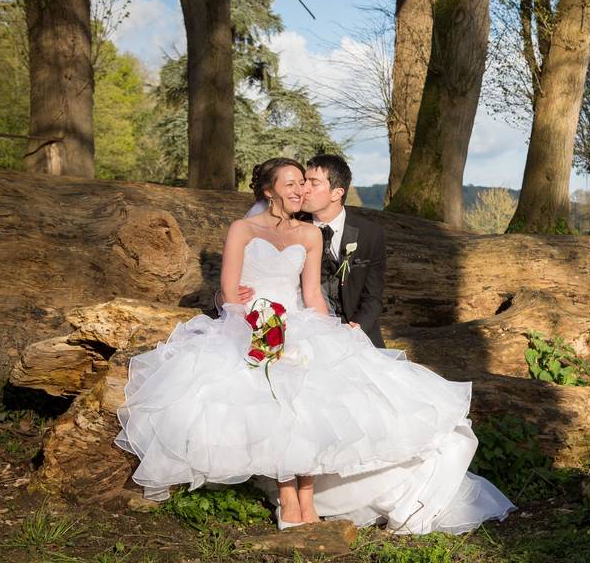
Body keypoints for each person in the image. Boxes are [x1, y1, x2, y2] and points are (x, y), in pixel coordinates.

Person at [114, 157, 514, 533]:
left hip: (298, 322)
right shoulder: (242, 230)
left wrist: (332, 331)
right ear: (269, 191)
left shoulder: (309, 234)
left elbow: (312, 294)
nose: (299, 189)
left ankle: (308, 499)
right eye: (291, 183)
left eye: (303, 182)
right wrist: (253, 323)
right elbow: (229, 290)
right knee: (275, 400)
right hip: (250, 323)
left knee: (310, 403)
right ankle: (288, 499)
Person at [241, 154, 385, 346]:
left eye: (313, 183)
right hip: (305, 328)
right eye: (303, 181)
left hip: (358, 332)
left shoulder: (369, 234)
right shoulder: (289, 224)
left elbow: (373, 297)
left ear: (337, 193)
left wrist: (356, 329)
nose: (303, 189)